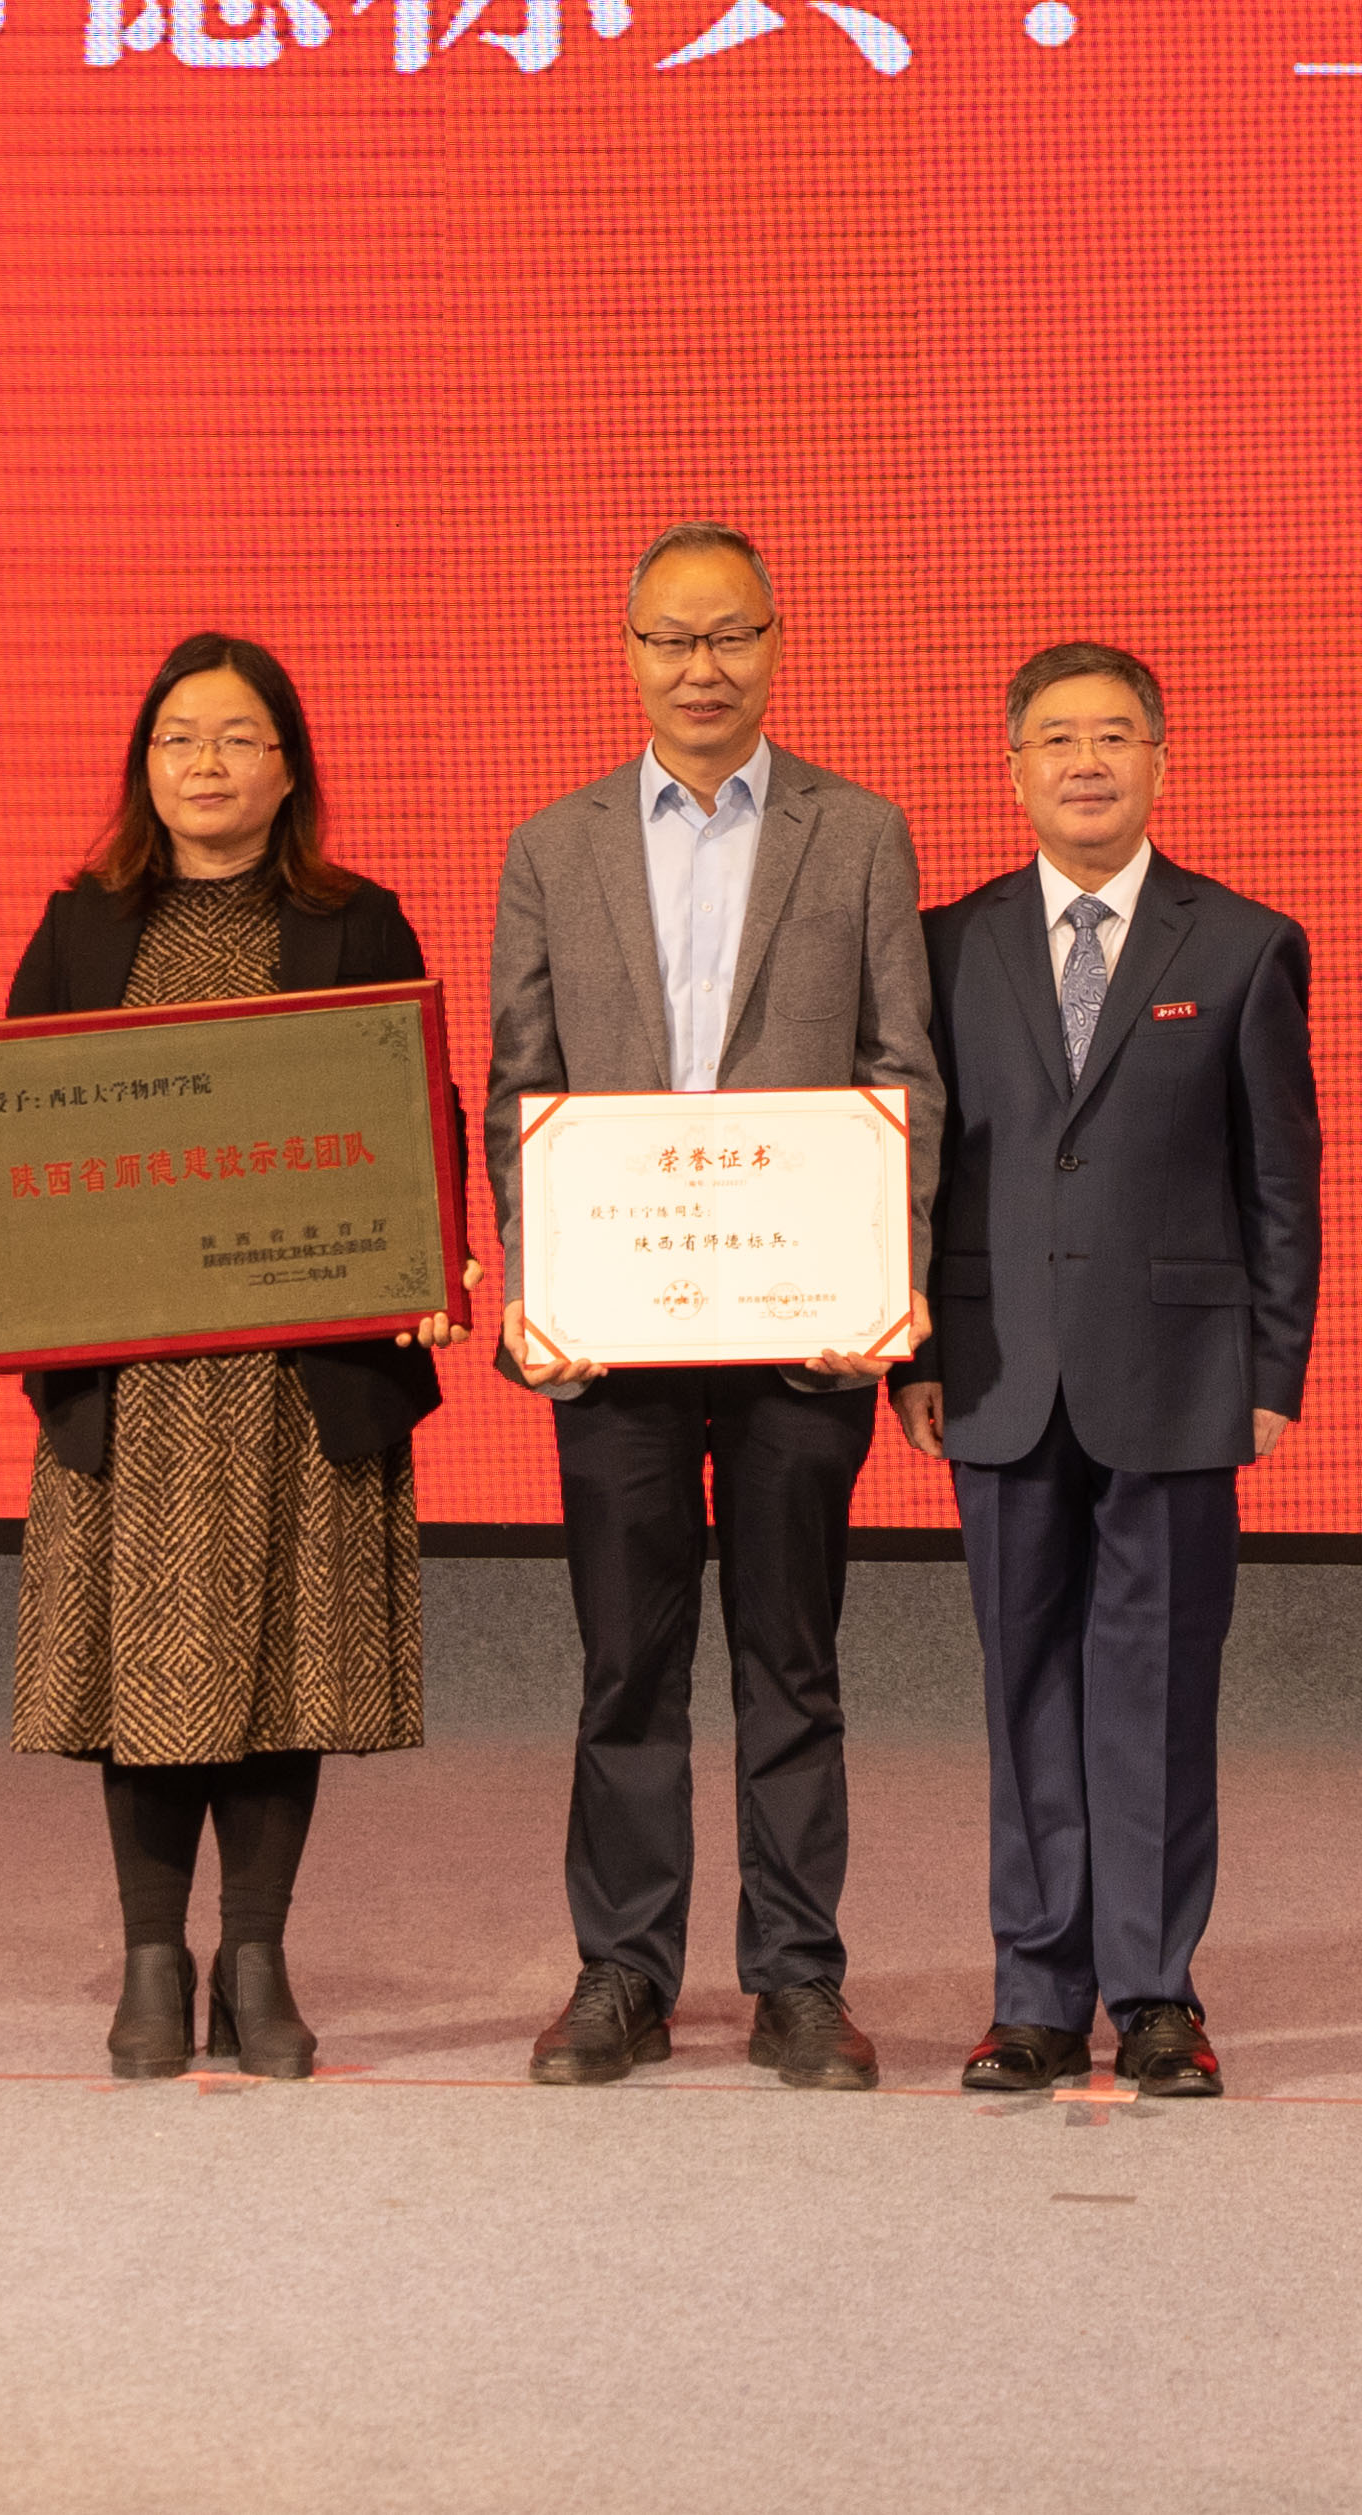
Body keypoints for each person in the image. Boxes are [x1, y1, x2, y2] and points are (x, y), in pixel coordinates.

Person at [482, 520, 941, 2088]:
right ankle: (622, 1971)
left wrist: (880, 1283)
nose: (701, 667)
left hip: (801, 1333)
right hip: (616, 1338)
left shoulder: (855, 833)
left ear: (776, 644)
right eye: (671, 638)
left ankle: (797, 1978)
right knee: (625, 1663)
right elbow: (520, 1093)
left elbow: (901, 1071)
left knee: (789, 1663)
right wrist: (540, 1285)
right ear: (627, 655)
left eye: (730, 634)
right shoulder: (551, 848)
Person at [0, 633, 446, 2083]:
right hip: (140, 1379)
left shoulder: (359, 921)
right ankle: (151, 1960)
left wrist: (431, 1263)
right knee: (146, 1665)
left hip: (300, 1372)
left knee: (288, 1667)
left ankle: (255, 1955)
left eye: (238, 738)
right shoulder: (82, 926)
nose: (207, 765)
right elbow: (3, 1133)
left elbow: (416, 1116)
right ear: (144, 767)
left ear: (287, 768)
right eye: (178, 739)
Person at [901, 640, 1319, 2099]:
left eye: (1115, 736)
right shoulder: (944, 945)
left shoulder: (1243, 944)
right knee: (1024, 1686)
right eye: (1057, 738)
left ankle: (1153, 1997)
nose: (1086, 762)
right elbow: (919, 1169)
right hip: (996, 1369)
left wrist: (1274, 1363)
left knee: (1156, 1692)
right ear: (1012, 769)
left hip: (1181, 1371)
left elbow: (1280, 1180)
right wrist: (915, 1349)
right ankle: (1033, 1996)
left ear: (1159, 760)